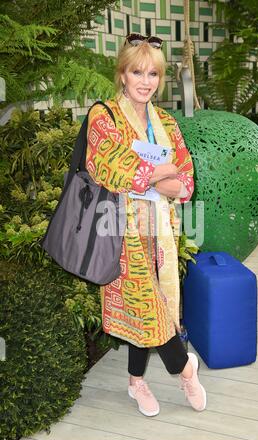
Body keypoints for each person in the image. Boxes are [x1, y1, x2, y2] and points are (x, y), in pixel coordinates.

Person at [86, 33, 206, 417]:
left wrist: (154, 174)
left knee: (154, 304)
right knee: (147, 304)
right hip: (119, 230)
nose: (145, 81)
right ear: (122, 74)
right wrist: (160, 172)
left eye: (153, 73)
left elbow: (185, 183)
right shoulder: (103, 116)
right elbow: (107, 166)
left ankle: (136, 381)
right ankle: (184, 367)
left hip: (162, 230)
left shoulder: (167, 122)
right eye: (137, 71)